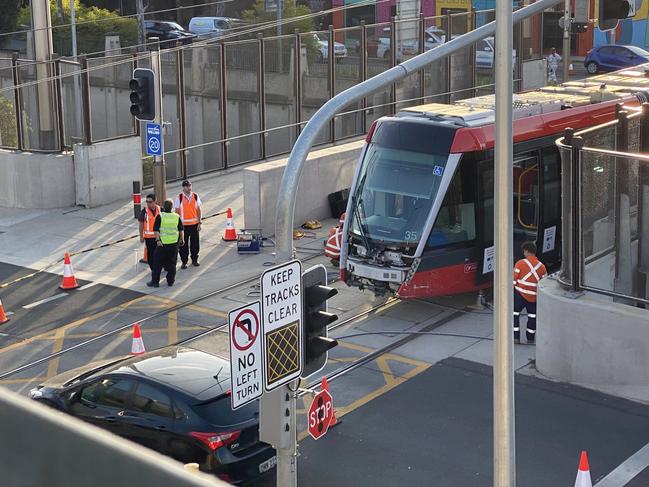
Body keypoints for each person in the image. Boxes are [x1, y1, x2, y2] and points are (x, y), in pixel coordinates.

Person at [513, 242, 547, 344]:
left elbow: (513, 281)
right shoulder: (542, 267)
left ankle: (516, 337)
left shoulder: (520, 263)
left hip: (520, 295)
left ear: (526, 251)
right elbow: (544, 284)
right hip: (534, 297)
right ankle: (530, 338)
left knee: (514, 314)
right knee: (532, 317)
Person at [147, 199, 184, 288]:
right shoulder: (176, 216)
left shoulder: (160, 216)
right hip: (174, 244)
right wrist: (182, 240)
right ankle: (170, 281)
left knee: (157, 264)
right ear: (172, 207)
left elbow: (156, 230)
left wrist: (158, 240)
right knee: (172, 264)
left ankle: (155, 282)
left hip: (162, 244)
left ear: (164, 207)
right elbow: (180, 230)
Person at [174, 180, 202, 269]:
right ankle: (184, 262)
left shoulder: (195, 196)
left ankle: (195, 259)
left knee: (195, 243)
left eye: (190, 186)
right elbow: (177, 211)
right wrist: (178, 226)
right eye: (186, 186)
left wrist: (199, 222)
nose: (189, 188)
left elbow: (198, 210)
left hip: (194, 224)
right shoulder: (179, 197)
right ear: (183, 188)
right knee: (183, 244)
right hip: (183, 226)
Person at [138, 194, 160, 271]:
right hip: (149, 238)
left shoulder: (160, 210)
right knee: (151, 255)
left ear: (155, 201)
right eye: (146, 201)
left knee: (160, 254)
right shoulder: (144, 211)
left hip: (159, 237)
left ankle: (159, 267)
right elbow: (141, 224)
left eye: (150, 202)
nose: (148, 203)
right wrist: (141, 236)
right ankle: (153, 269)